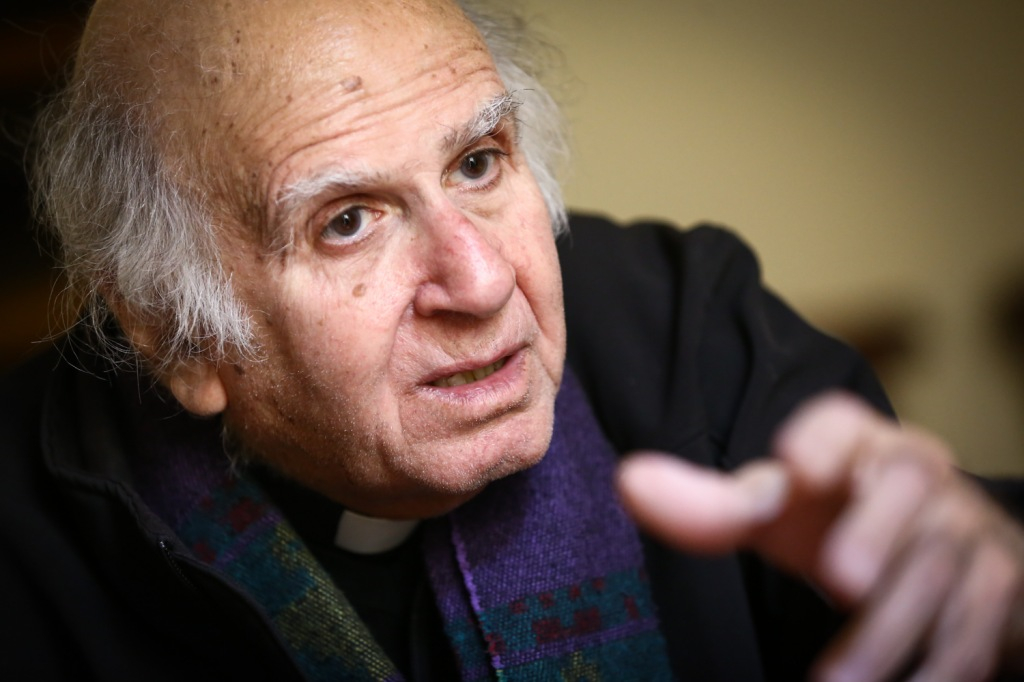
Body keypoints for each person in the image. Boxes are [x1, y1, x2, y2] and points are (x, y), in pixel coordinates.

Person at [4, 0, 1024, 679]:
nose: (485, 282)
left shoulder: (686, 314)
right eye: (348, 220)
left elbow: (952, 577)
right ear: (175, 338)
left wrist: (993, 571)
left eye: (478, 162)